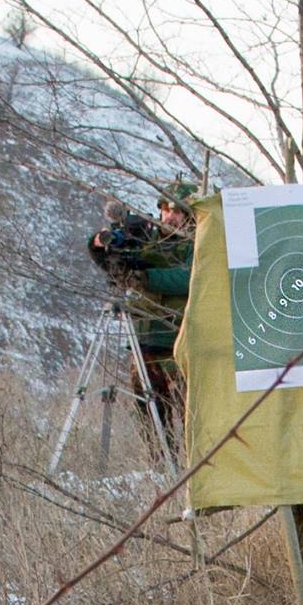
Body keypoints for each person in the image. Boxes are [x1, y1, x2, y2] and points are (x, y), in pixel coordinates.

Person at [86, 183, 196, 454]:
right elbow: (111, 258)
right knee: (150, 412)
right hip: (144, 340)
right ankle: (160, 467)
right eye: (165, 209)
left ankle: (191, 474)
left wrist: (146, 278)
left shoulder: (197, 244)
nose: (169, 216)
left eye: (177, 212)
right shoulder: (146, 237)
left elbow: (191, 278)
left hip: (180, 342)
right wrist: (100, 244)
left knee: (190, 416)